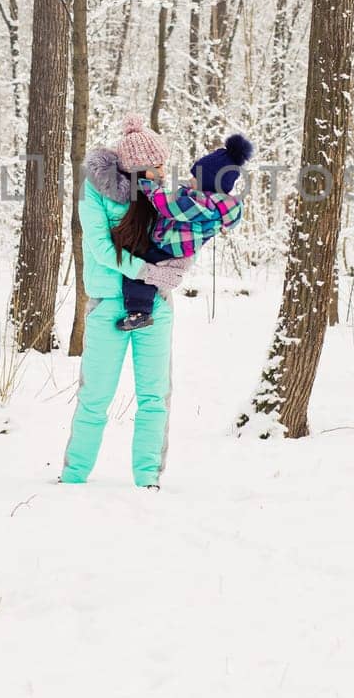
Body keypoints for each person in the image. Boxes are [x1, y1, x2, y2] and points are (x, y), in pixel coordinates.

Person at [61, 115, 190, 489]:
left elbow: (180, 239)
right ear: (135, 167)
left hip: (156, 305)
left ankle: (148, 479)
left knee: (154, 397)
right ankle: (73, 478)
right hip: (106, 305)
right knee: (95, 398)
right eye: (156, 165)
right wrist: (147, 271)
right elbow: (100, 249)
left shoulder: (160, 194)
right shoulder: (94, 192)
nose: (163, 171)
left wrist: (175, 268)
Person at [116, 133, 254, 331]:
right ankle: (142, 308)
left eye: (195, 177)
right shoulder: (210, 204)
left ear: (209, 183)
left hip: (170, 248)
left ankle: (139, 312)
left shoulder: (203, 205)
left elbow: (168, 206)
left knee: (138, 271)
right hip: (176, 246)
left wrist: (147, 185)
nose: (190, 180)